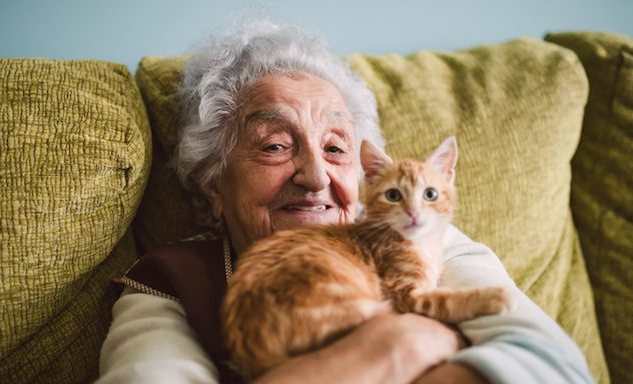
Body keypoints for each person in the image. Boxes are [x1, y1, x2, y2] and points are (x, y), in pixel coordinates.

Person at [97, 19, 594, 384]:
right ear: (212, 185)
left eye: (336, 148)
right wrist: (401, 345)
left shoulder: (422, 236)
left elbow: (555, 366)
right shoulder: (165, 284)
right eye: (275, 145)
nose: (316, 177)